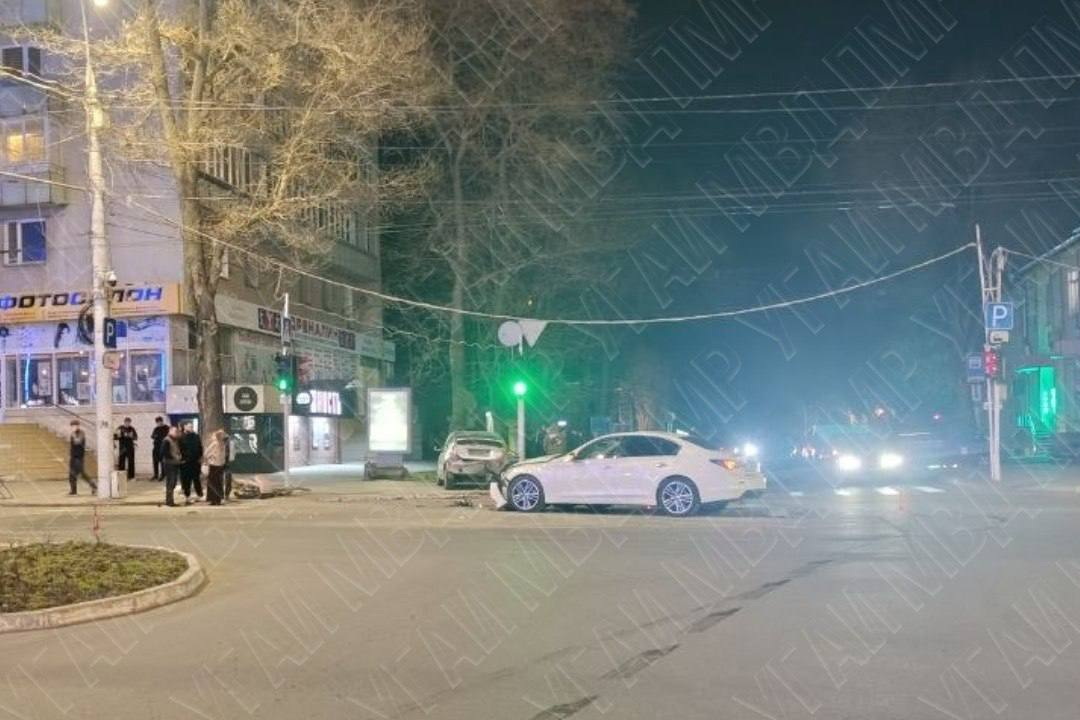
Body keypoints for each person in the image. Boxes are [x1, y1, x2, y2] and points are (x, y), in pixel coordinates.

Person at [68, 420, 97, 495]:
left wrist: (73, 435)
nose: (73, 427)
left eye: (74, 426)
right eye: (72, 426)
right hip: (73, 456)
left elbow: (77, 441)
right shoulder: (73, 434)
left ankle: (94, 486)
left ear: (78, 426)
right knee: (71, 474)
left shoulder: (81, 433)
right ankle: (73, 490)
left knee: (82, 473)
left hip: (79, 457)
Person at [179, 422, 204, 502]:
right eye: (189, 426)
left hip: (195, 462)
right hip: (186, 462)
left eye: (192, 426)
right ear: (185, 427)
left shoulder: (196, 436)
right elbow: (179, 449)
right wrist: (182, 459)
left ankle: (200, 494)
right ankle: (187, 495)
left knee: (196, 479)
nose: (191, 428)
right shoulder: (181, 437)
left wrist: (200, 457)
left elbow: (200, 447)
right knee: (187, 480)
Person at [204, 429, 228, 506]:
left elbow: (206, 453)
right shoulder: (222, 444)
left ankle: (213, 500)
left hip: (214, 465)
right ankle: (218, 499)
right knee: (218, 483)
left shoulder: (215, 444)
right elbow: (224, 456)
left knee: (213, 483)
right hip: (219, 466)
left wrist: (210, 457)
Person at [162, 425, 183, 506]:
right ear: (170, 431)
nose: (176, 433)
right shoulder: (166, 440)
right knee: (171, 482)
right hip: (169, 464)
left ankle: (170, 500)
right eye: (175, 431)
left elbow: (177, 450)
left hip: (175, 463)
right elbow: (164, 452)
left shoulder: (175, 440)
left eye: (177, 432)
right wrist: (174, 457)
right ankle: (169, 501)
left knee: (173, 482)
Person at [150, 416, 169, 481]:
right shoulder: (156, 428)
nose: (158, 423)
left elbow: (167, 436)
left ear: (162, 421)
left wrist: (159, 436)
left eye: (159, 422)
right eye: (157, 422)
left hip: (163, 447)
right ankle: (156, 475)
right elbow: (152, 436)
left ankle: (163, 475)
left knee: (162, 462)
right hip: (156, 447)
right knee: (155, 461)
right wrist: (155, 436)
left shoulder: (166, 428)